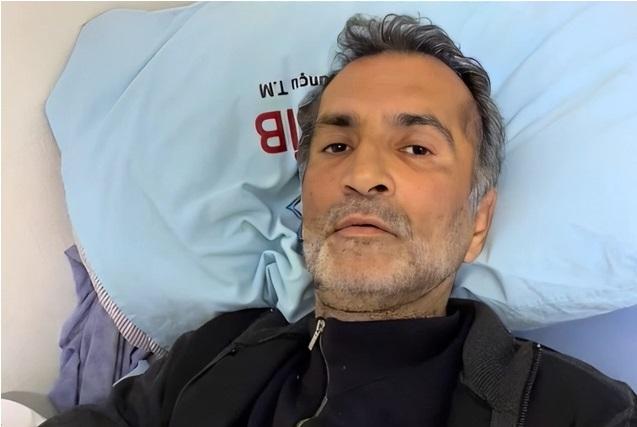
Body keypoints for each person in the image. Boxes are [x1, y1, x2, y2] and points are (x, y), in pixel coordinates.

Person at [42, 13, 636, 427]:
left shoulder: (575, 410)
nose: (363, 173)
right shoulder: (209, 355)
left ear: (478, 222)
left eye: (416, 148)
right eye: (336, 146)